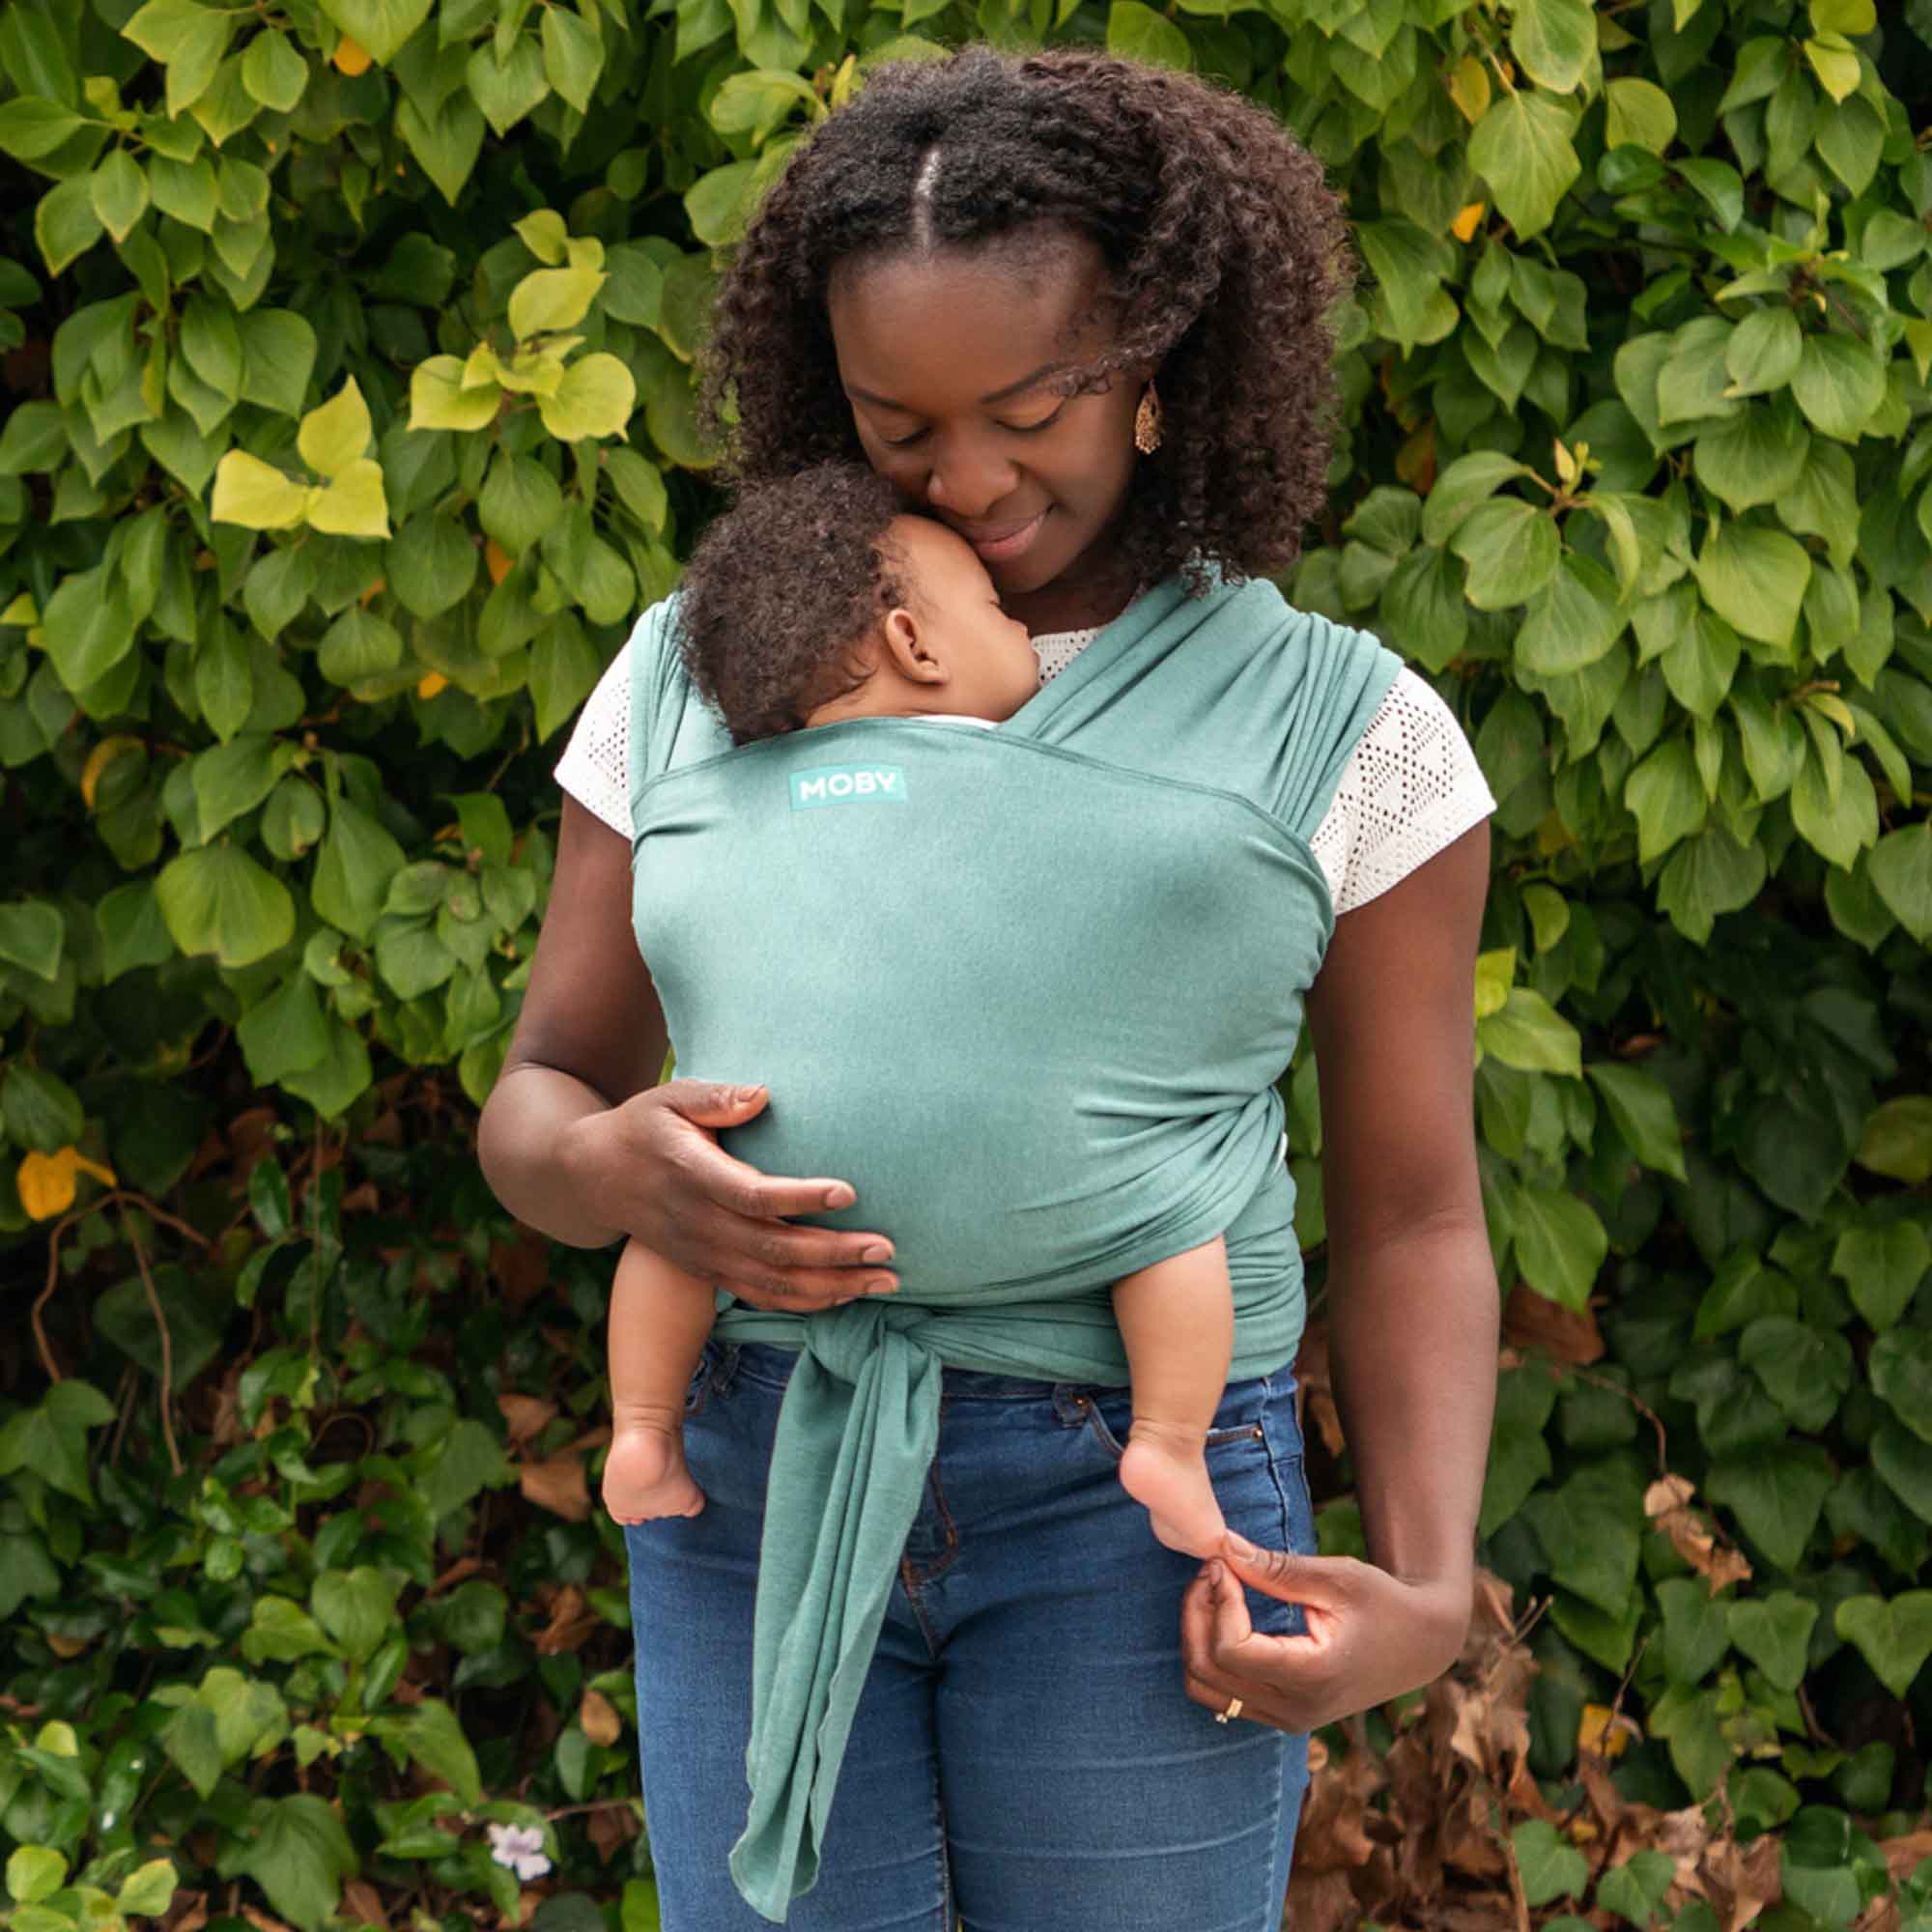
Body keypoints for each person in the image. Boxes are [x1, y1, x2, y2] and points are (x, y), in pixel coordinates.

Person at [479, 43, 1500, 1930]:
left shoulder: (1345, 732)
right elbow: (541, 1095)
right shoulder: (707, 666)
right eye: (895, 425)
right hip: (757, 1469)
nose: (968, 477)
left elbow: (1417, 1205)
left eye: (1030, 404)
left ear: (1161, 366)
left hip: (1144, 1498)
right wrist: (622, 1171)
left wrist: (1428, 1585)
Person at [602, 460, 1241, 1563]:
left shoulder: (740, 789)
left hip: (762, 1171)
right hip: (1051, 1180)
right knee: (1170, 1221)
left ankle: (642, 1431)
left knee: (672, 1231)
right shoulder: (1041, 772)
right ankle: (1172, 1443)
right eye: (999, 615)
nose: (1026, 640)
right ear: (916, 644)